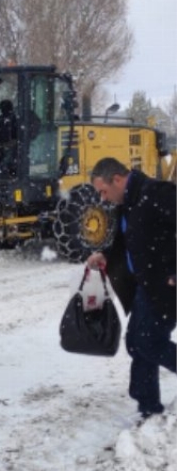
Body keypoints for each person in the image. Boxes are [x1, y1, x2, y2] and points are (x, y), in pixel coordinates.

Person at [86, 157, 176, 420]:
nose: (103, 197)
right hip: (145, 285)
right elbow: (130, 238)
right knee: (137, 343)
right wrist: (105, 254)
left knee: (148, 341)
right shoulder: (129, 202)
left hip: (166, 285)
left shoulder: (156, 194)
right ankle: (148, 407)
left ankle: (148, 406)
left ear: (117, 179)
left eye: (103, 190)